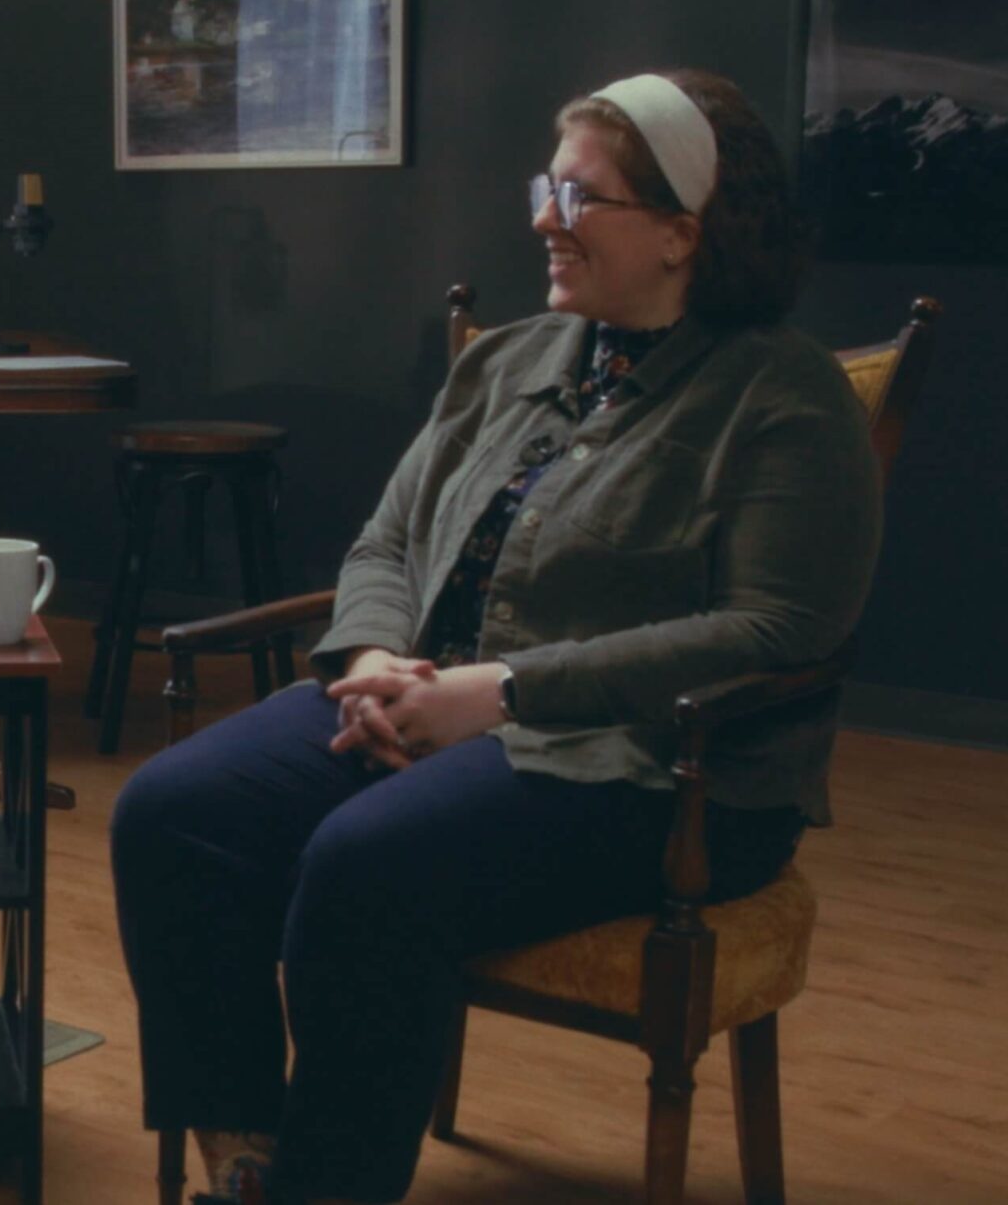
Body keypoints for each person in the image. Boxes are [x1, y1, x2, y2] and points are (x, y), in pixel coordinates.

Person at [108, 70, 880, 1205]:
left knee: (368, 863)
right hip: (426, 704)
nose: (544, 220)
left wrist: (499, 692)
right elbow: (385, 541)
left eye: (581, 197)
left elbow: (776, 628)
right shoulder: (505, 360)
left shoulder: (782, 395)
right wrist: (373, 660)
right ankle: (248, 1158)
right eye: (544, 189)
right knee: (171, 812)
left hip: (652, 771)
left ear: (682, 232)